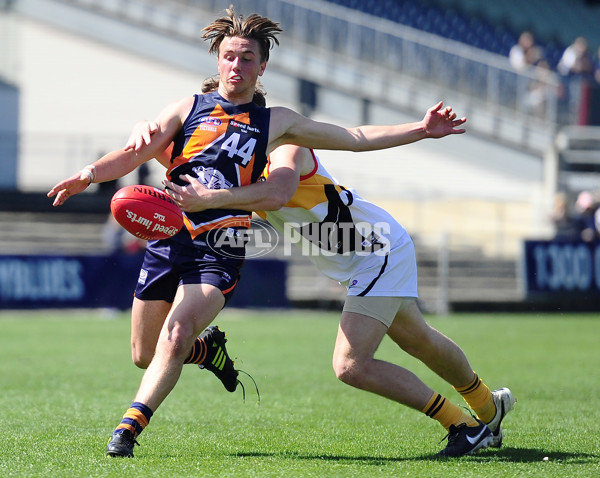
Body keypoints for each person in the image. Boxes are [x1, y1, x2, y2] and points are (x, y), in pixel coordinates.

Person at [47, 6, 472, 459]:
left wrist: (421, 130)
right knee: (144, 352)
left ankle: (127, 431)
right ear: (217, 60)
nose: (237, 66)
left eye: (248, 58)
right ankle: (207, 354)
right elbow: (135, 153)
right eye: (230, 56)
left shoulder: (275, 123)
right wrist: (88, 174)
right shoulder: (188, 108)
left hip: (221, 246)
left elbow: (353, 135)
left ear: (262, 67)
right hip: (171, 236)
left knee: (175, 336)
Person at [128, 75, 515, 458]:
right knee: (418, 339)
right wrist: (146, 132)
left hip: (376, 248)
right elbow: (174, 161)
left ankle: (461, 425)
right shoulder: (229, 163)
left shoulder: (284, 146)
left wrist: (422, 129)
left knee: (351, 365)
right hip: (360, 258)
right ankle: (486, 406)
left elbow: (350, 142)